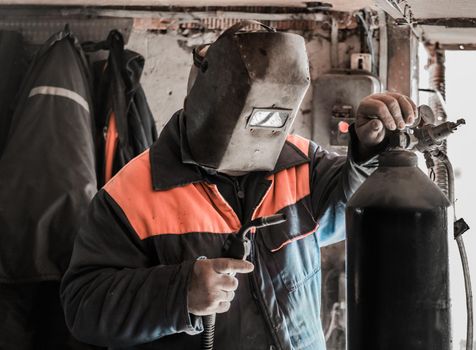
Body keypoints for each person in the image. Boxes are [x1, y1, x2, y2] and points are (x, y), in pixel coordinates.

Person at [60, 21, 416, 350]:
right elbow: (83, 307)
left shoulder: (302, 163)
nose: (263, 132)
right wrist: (178, 293)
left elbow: (355, 211)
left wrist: (371, 148)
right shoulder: (134, 192)